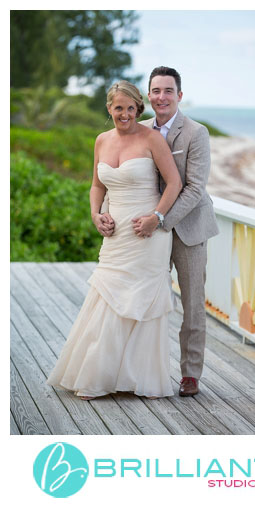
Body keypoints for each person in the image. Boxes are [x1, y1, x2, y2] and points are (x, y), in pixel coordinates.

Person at [47, 81, 182, 399]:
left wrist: (156, 218)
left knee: (138, 303)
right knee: (106, 297)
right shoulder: (101, 140)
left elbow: (174, 182)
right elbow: (97, 185)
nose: (124, 114)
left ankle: (136, 378)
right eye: (118, 108)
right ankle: (99, 375)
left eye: (130, 108)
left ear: (139, 109)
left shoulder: (151, 139)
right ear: (109, 109)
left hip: (147, 234)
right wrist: (96, 215)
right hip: (115, 233)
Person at [94, 66, 219, 397]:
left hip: (186, 228)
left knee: (191, 305)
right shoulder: (139, 129)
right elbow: (122, 180)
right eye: (156, 91)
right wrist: (104, 213)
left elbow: (193, 189)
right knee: (143, 297)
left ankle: (190, 374)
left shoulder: (197, 133)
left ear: (179, 95)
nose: (161, 96)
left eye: (168, 91)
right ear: (147, 97)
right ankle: (139, 369)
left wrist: (160, 219)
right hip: (143, 235)